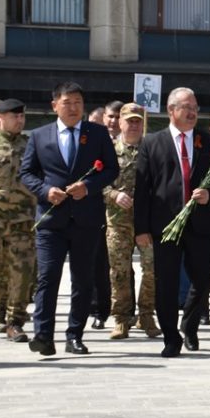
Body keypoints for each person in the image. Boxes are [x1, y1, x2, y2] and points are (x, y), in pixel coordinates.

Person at [20, 82, 119, 356]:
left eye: (78, 102)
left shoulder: (97, 134)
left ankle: (75, 334)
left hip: (86, 219)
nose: (73, 107)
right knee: (47, 277)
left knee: (83, 279)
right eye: (67, 102)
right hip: (51, 220)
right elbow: (26, 173)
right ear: (55, 105)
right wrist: (44, 191)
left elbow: (111, 169)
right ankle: (43, 335)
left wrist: (89, 187)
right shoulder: (40, 136)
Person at [134, 87, 210, 358]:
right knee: (166, 283)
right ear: (171, 111)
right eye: (186, 107)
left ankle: (190, 325)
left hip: (201, 224)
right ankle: (171, 337)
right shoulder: (152, 142)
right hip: (165, 226)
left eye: (195, 107)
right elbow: (142, 187)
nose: (193, 112)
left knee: (204, 279)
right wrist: (141, 228)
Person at [0, 99, 37, 342]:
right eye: (15, 116)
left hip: (23, 218)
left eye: (22, 116)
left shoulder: (31, 145)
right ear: (0, 117)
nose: (20, 120)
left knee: (21, 273)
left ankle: (15, 322)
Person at [104, 103, 161, 340]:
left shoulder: (152, 149)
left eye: (138, 121)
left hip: (146, 223)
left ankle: (146, 314)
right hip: (118, 222)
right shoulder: (108, 150)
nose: (134, 125)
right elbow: (96, 183)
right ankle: (121, 318)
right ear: (120, 122)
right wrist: (114, 194)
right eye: (130, 120)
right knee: (119, 271)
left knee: (151, 269)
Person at [86, 106, 114, 329]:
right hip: (95, 210)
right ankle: (96, 308)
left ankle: (122, 310)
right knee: (96, 264)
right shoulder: (88, 145)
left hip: (122, 214)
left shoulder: (130, 142)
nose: (111, 123)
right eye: (107, 119)